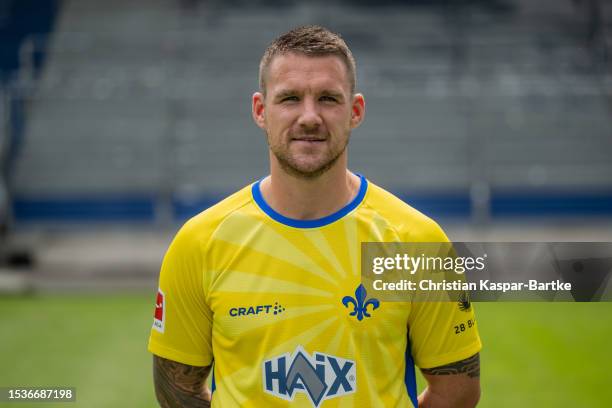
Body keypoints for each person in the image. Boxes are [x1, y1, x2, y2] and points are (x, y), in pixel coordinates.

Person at [148, 25, 481, 407]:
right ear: (261, 110)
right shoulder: (201, 242)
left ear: (355, 111)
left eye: (327, 98)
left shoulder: (416, 241)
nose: (309, 116)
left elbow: (458, 390)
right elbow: (177, 392)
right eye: (290, 98)